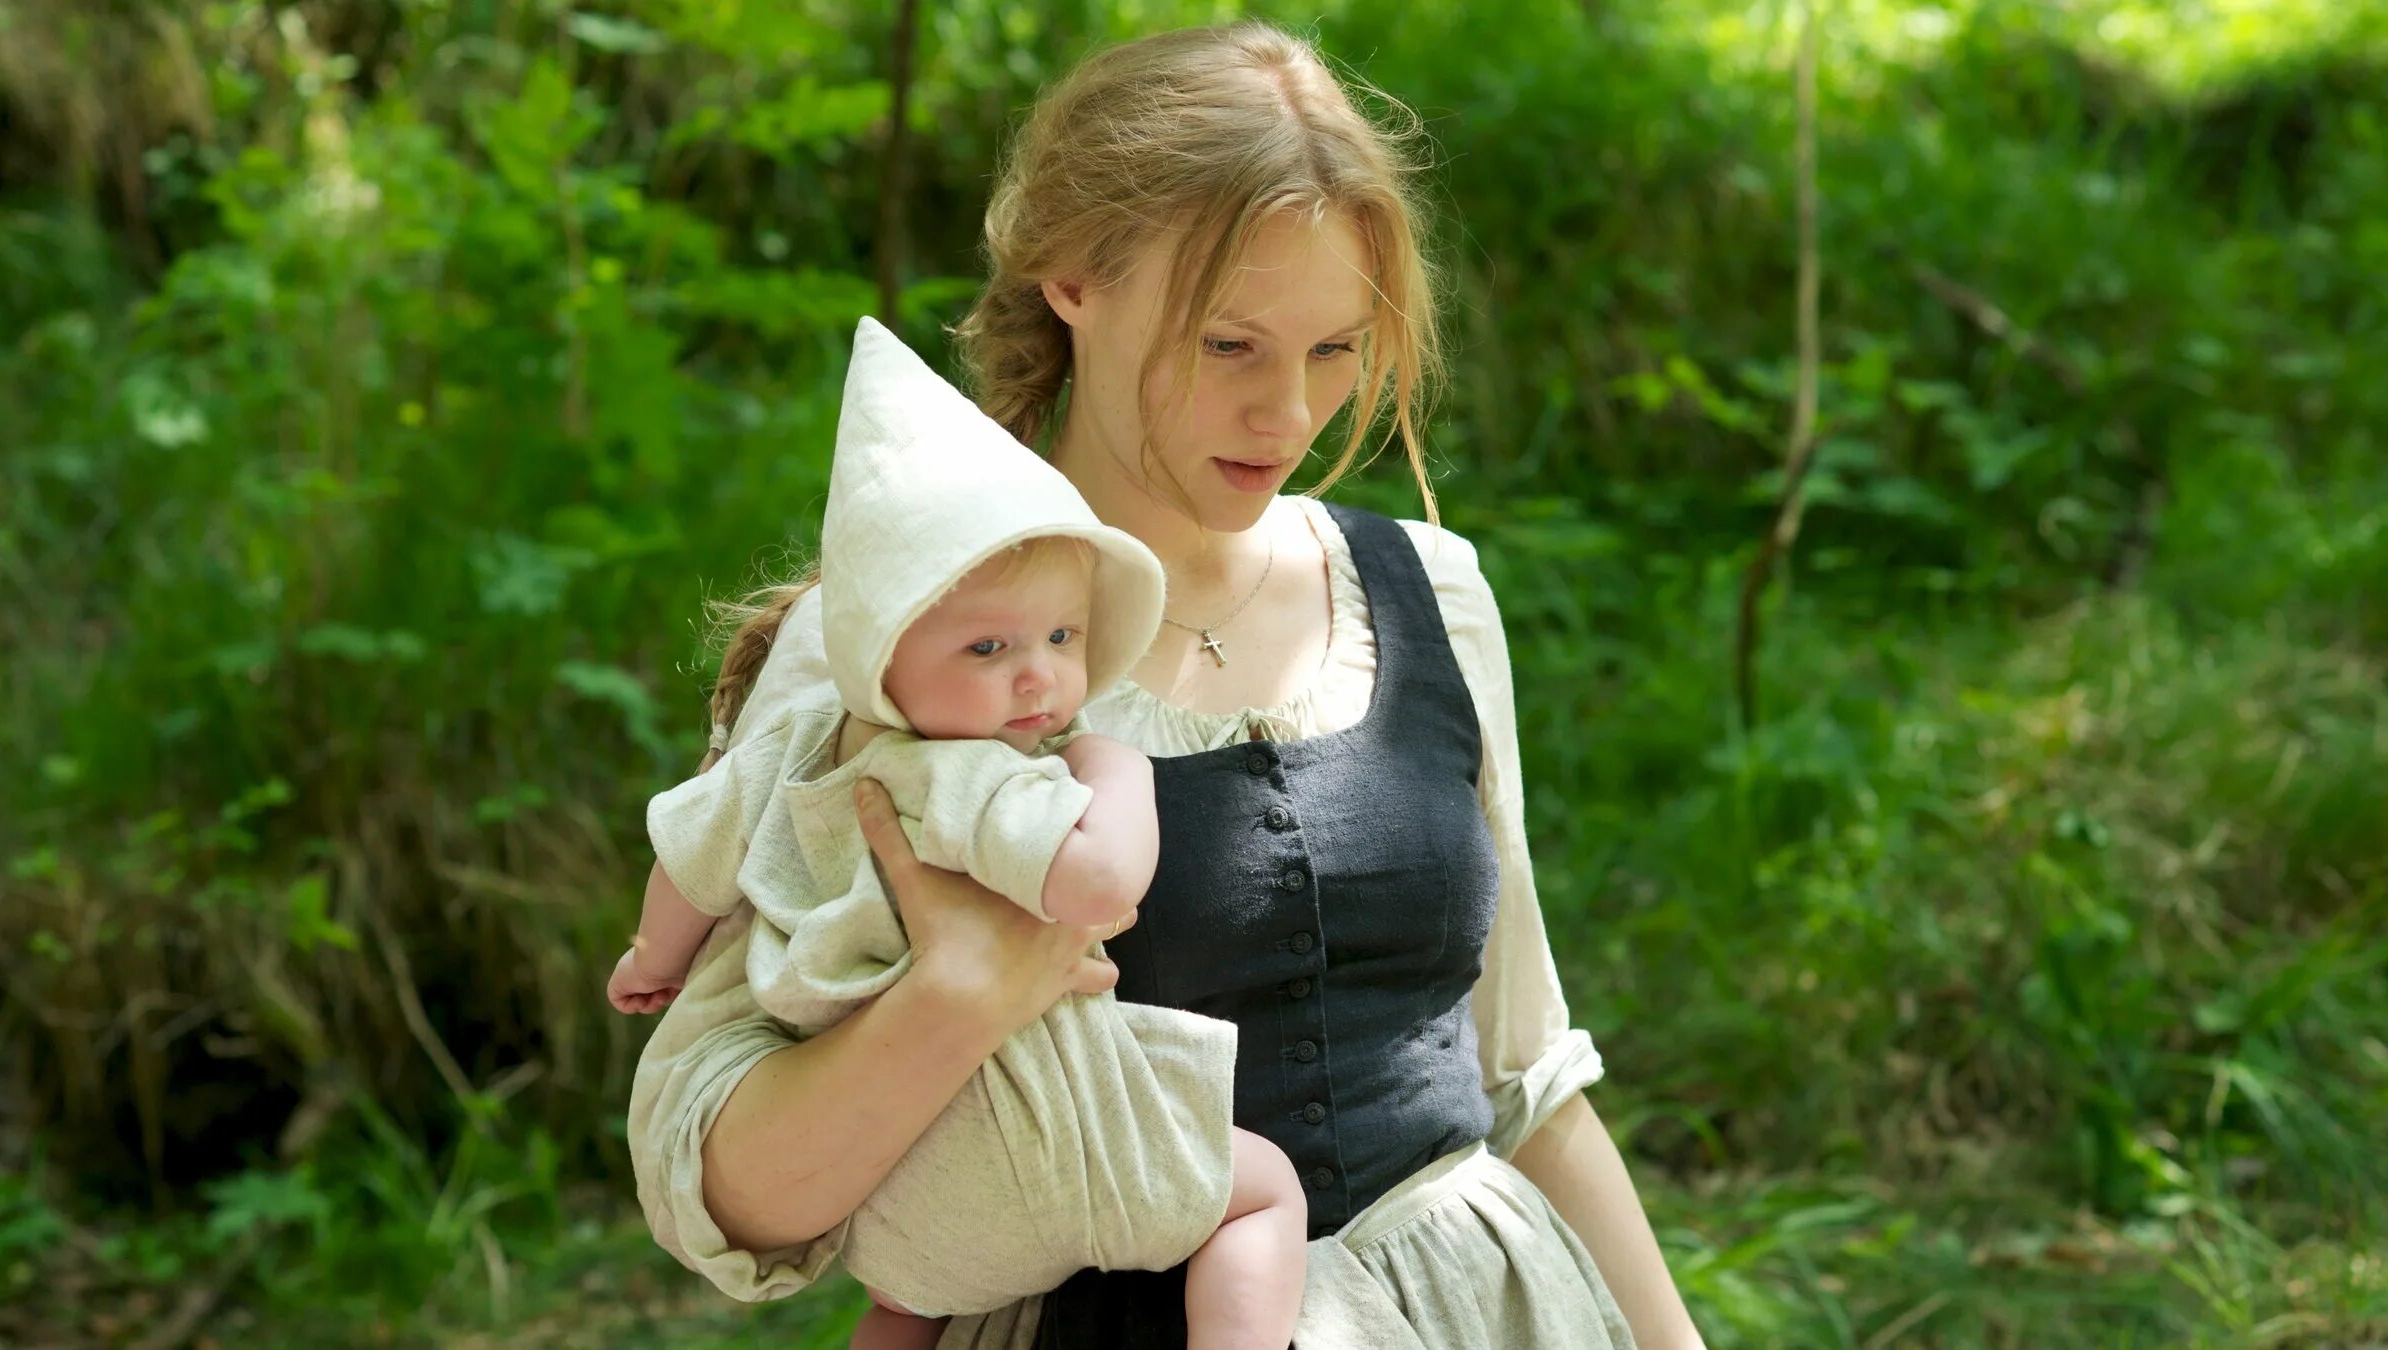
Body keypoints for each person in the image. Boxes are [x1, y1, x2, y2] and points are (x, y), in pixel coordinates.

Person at [627, 20, 1706, 1348]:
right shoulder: (898, 654)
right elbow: (724, 1190)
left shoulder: (1433, 594)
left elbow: (1525, 1077)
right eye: (1230, 345)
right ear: (1073, 278)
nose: (1288, 416)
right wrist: (952, 998)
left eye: (1334, 349)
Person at [609, 317, 1306, 1348]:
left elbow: (689, 859)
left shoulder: (794, 745)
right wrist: (1116, 773)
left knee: (905, 1307)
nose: (1038, 676)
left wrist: (651, 958)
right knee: (1266, 1192)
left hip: (900, 1205)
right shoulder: (969, 774)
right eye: (989, 648)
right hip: (1038, 1146)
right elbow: (1100, 885)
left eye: (1062, 636)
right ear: (883, 654)